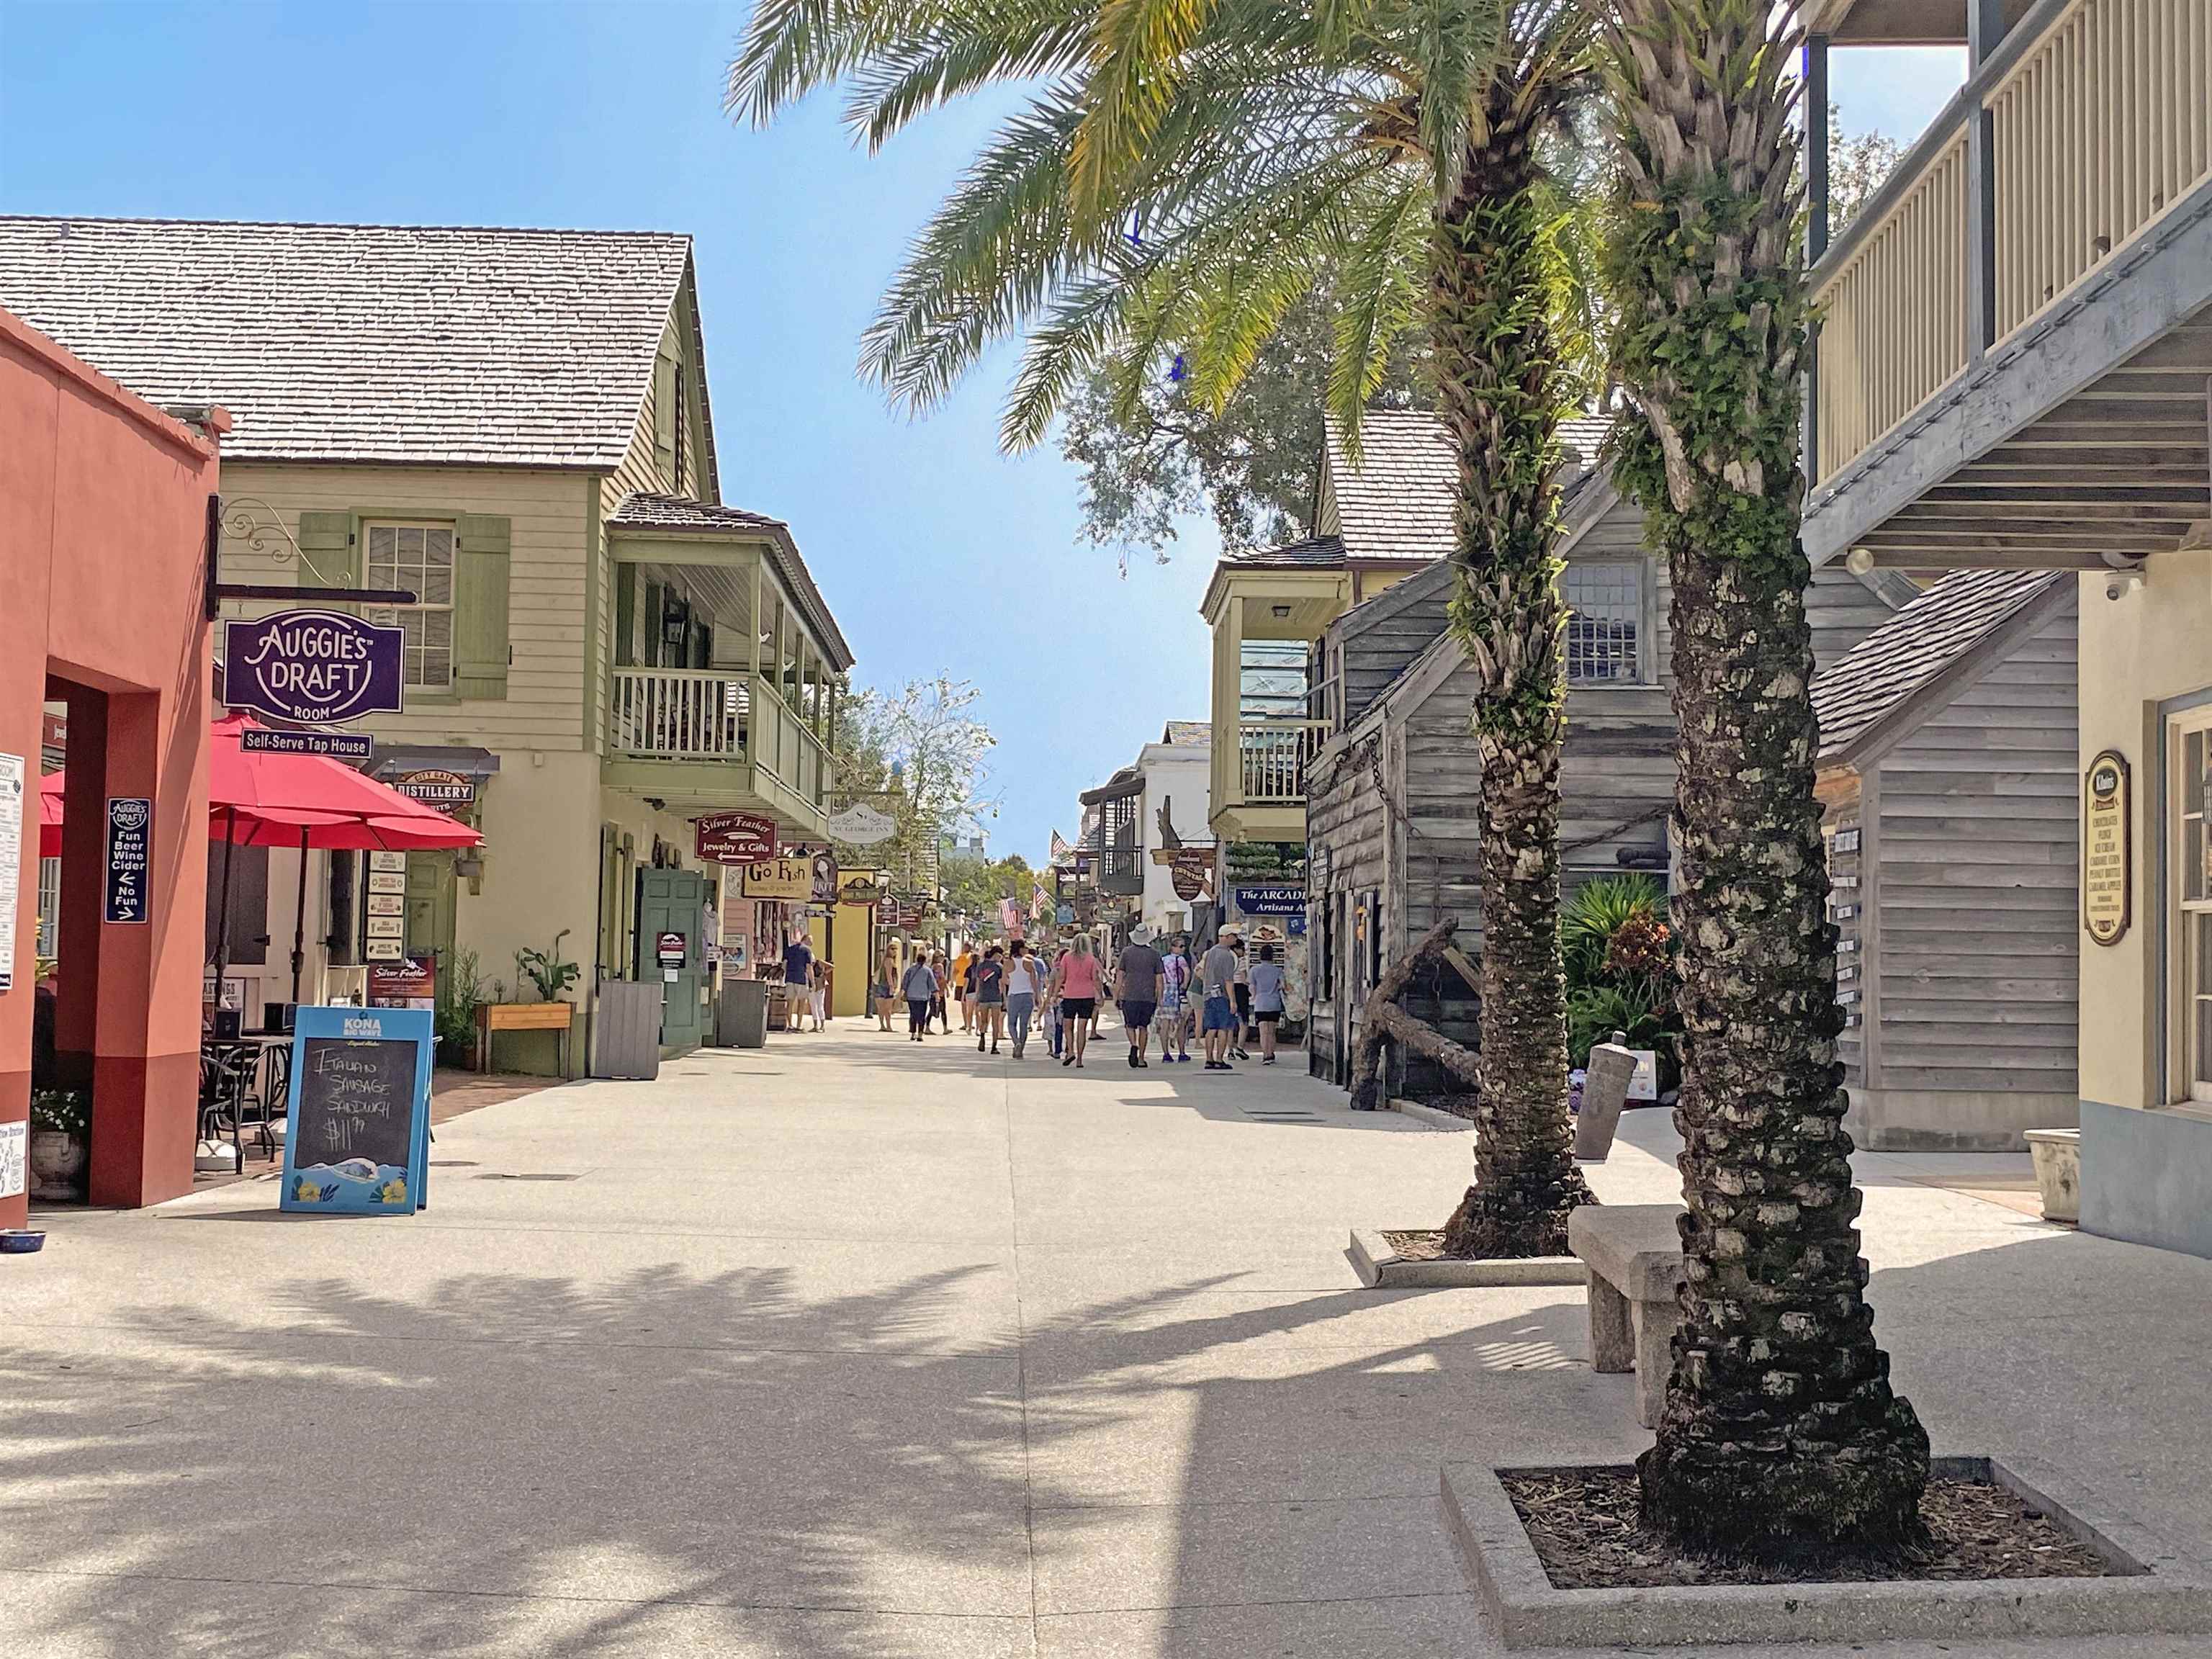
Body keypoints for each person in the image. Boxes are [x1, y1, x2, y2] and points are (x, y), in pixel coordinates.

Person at [1116, 933, 1164, 1069]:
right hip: (1148, 996)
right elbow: (1159, 979)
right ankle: (1141, 1058)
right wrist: (1160, 997)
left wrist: (1116, 993)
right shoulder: (1155, 954)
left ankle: (1133, 1045)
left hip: (1130, 994)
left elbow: (1120, 975)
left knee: (1130, 1025)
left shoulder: (1126, 953)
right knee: (1144, 1027)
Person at [1055, 935, 1101, 1068]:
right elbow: (1095, 979)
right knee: (1082, 1028)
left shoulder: (1067, 957)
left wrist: (1054, 993)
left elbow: (1061, 976)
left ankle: (1071, 1051)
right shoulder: (1091, 959)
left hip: (1070, 995)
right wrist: (1100, 995)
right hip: (1087, 996)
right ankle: (1080, 1059)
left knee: (1068, 1026)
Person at [1199, 931, 1240, 1071]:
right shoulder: (1227, 955)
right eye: (1234, 936)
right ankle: (1219, 1059)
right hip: (1222, 995)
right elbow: (1228, 980)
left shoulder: (1210, 952)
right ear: (1228, 937)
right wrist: (1233, 1001)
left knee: (1211, 1028)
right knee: (1223, 1028)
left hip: (1208, 994)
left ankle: (1208, 1059)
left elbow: (1201, 972)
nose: (1236, 939)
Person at [1156, 935, 1192, 1063]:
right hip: (1176, 990)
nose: (1183, 949)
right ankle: (1182, 1053)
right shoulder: (1181, 959)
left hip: (1165, 991)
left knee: (1164, 1024)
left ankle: (1166, 1053)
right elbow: (1187, 973)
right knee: (1181, 1023)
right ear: (1173, 947)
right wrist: (1184, 985)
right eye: (1181, 946)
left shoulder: (1163, 959)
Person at [1250, 941, 1286, 1064]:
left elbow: (1252, 987)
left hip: (1260, 1003)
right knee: (1272, 1031)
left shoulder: (1254, 970)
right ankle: (1271, 1054)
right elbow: (1283, 985)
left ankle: (1265, 1055)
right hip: (1274, 1003)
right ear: (1272, 956)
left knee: (1263, 1032)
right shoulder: (1278, 970)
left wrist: (1254, 997)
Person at [1005, 940, 1042, 1058]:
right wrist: (1037, 997)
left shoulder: (1008, 963)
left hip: (1013, 995)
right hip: (1027, 995)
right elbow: (1034, 982)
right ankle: (1021, 1048)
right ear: (1020, 949)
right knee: (1024, 1024)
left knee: (1011, 1023)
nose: (1027, 949)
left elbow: (1004, 980)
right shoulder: (1029, 963)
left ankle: (1016, 1042)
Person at [973, 944, 1008, 1054]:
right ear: (996, 955)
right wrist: (1005, 999)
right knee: (995, 1022)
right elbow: (1002, 984)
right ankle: (994, 1046)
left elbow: (978, 982)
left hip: (983, 996)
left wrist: (977, 996)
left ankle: (982, 1037)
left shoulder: (981, 966)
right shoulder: (999, 967)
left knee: (984, 1021)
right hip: (996, 997)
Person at [1228, 933, 1254, 1061]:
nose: (1243, 952)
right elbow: (1244, 978)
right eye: (1242, 949)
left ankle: (1230, 1050)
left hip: (1229, 989)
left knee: (1230, 1023)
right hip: (1241, 989)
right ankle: (1240, 1048)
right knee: (1244, 1021)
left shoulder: (1228, 960)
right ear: (1237, 949)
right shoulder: (1242, 961)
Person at [899, 953, 937, 1040]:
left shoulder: (911, 970)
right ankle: (920, 1034)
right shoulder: (927, 971)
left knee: (913, 1015)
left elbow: (905, 982)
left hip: (911, 996)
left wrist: (904, 991)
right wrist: (936, 994)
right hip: (923, 997)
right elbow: (932, 984)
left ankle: (913, 1033)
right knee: (922, 1015)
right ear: (924, 961)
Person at [783, 930, 815, 1033]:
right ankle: (799, 1026)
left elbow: (784, 964)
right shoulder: (807, 951)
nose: (812, 942)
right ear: (805, 940)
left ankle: (789, 1025)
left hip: (789, 978)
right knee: (802, 1003)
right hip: (801, 978)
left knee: (790, 1002)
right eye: (810, 940)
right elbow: (809, 968)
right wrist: (813, 982)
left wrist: (787, 973)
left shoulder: (790, 949)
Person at [952, 944, 976, 1033]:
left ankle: (966, 1023)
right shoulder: (972, 957)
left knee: (963, 1005)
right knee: (971, 1005)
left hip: (960, 982)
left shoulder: (960, 957)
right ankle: (970, 1023)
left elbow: (955, 970)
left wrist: (952, 981)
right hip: (971, 983)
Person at [809, 956, 830, 1031]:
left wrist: (824, 973)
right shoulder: (808, 964)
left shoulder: (819, 962)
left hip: (820, 985)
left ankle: (822, 1026)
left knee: (820, 1006)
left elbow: (832, 967)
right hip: (812, 985)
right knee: (813, 1006)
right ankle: (815, 1026)